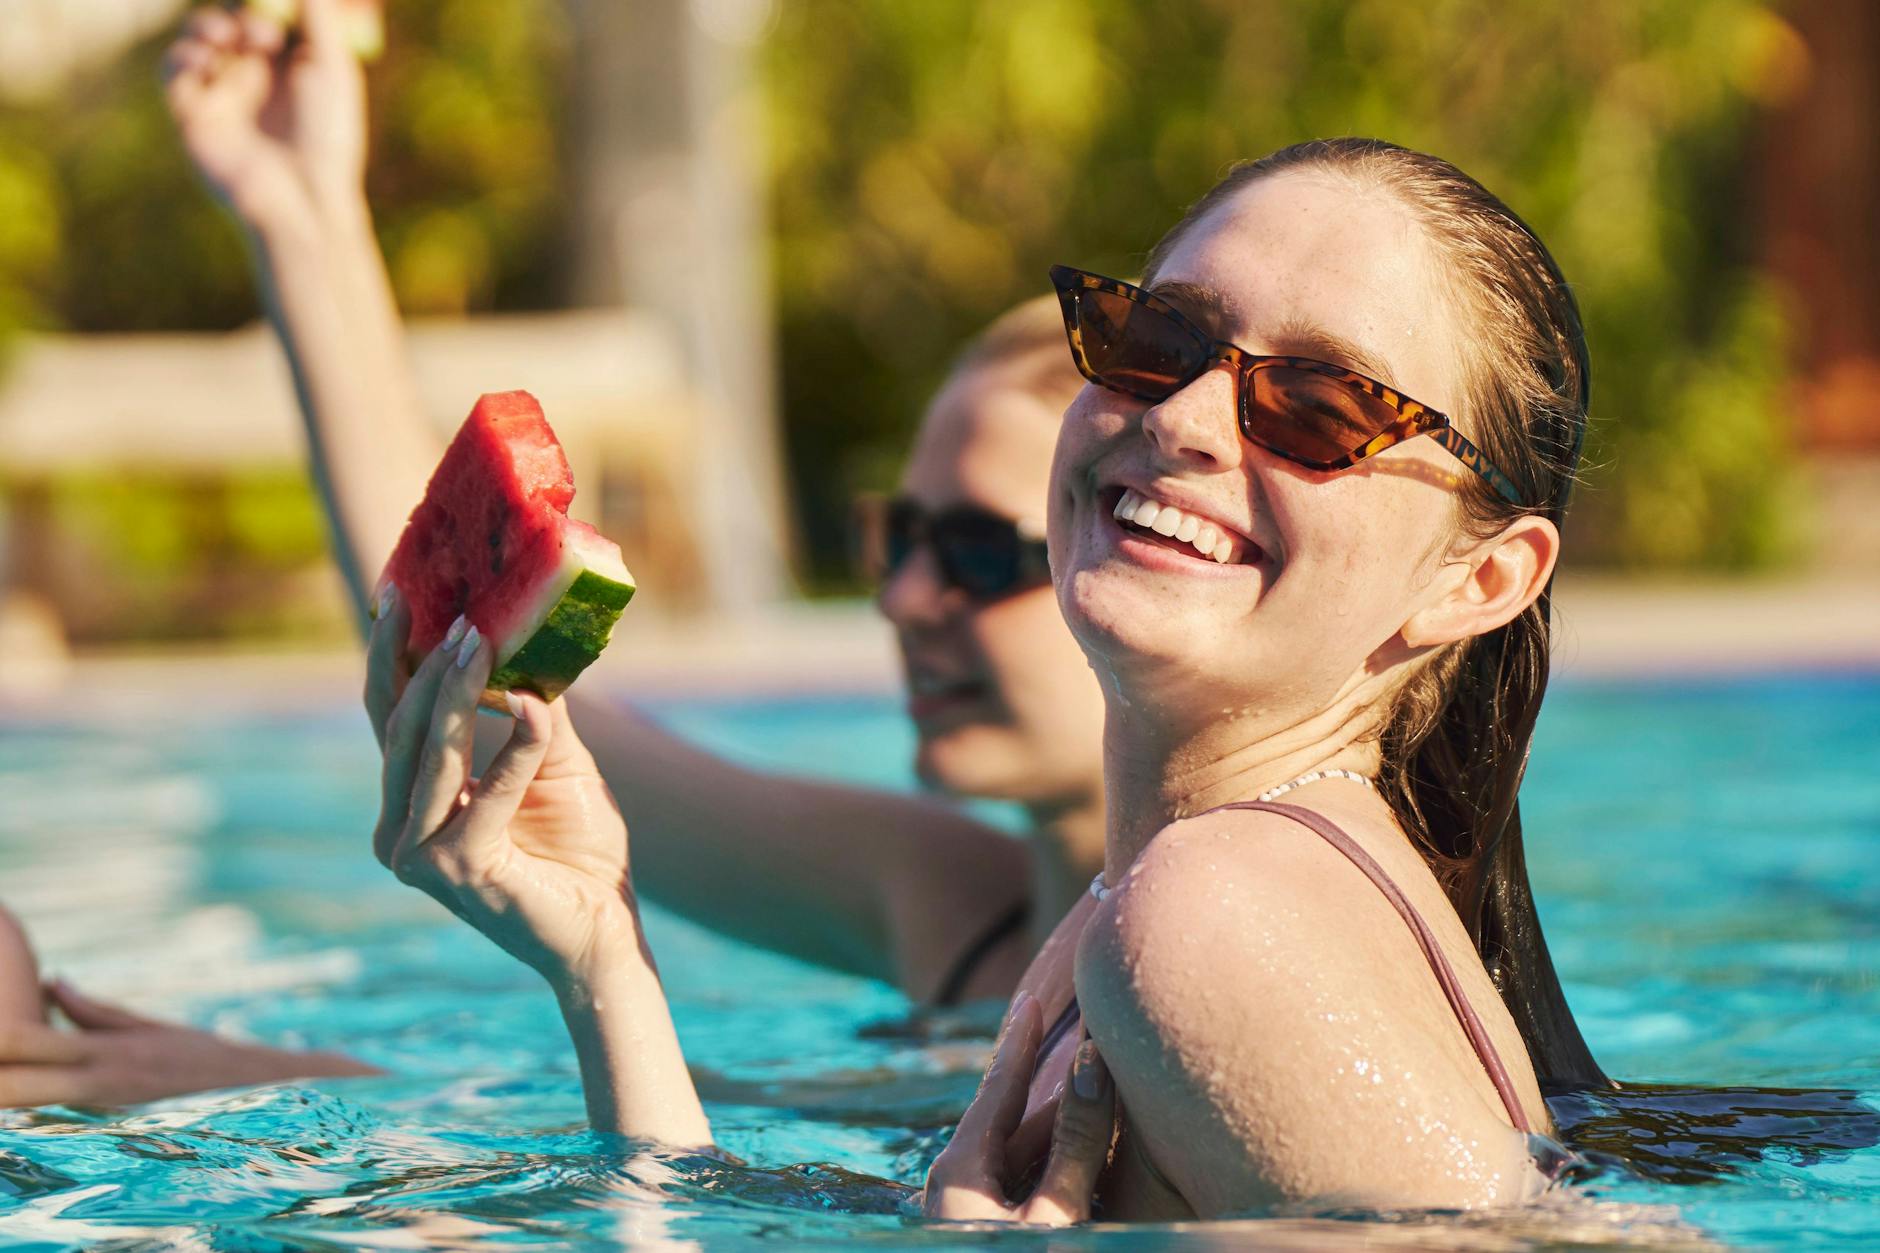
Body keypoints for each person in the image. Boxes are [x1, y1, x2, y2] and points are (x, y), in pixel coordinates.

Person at [367, 136, 1611, 1219]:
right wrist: (605, 971)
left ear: (1481, 582)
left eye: (1323, 404)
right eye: (1159, 336)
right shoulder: (1210, 892)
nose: (1183, 416)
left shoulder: (1211, 909)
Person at [0, 0, 1106, 1110]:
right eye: (894, 538)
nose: (906, 599)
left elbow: (757, 1127)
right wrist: (302, 215)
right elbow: (472, 659)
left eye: (974, 551)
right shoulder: (951, 900)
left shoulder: (1217, 968)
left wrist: (295, 1089)